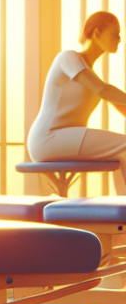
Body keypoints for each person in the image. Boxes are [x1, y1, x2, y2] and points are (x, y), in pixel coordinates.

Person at [27, 10, 126, 193]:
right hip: (47, 137)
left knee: (122, 152)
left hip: (67, 138)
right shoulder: (68, 58)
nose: (120, 39)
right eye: (115, 33)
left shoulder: (91, 75)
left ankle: (122, 211)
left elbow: (120, 103)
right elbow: (104, 90)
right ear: (97, 33)